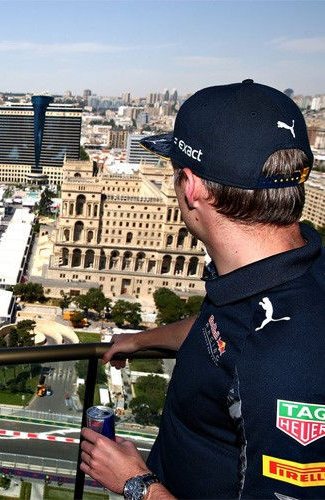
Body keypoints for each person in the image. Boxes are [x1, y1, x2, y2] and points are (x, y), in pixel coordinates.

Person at [80, 80, 325, 499]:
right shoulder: (282, 272)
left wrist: (137, 485)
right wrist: (142, 340)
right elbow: (221, 326)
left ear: (190, 186)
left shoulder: (286, 370)